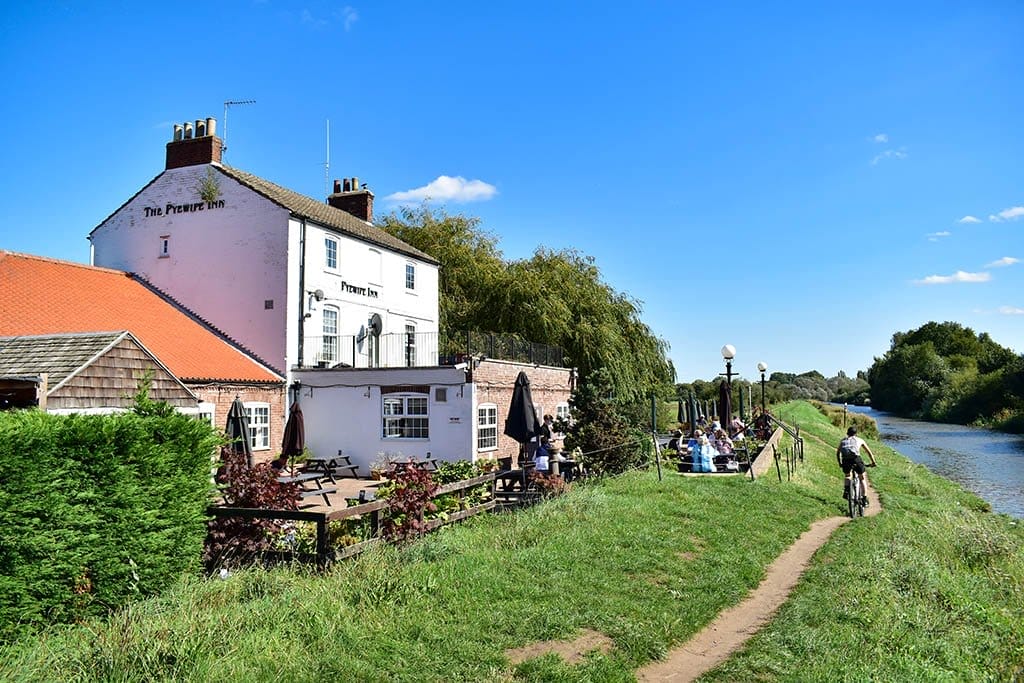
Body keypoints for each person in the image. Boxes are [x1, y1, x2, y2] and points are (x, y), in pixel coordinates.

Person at [836, 426, 877, 506]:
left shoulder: (843, 440)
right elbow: (869, 453)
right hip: (856, 459)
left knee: (848, 475)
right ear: (856, 433)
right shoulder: (860, 440)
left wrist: (840, 463)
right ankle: (864, 499)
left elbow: (838, 453)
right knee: (862, 478)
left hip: (846, 460)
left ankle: (846, 491)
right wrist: (873, 462)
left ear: (847, 433)